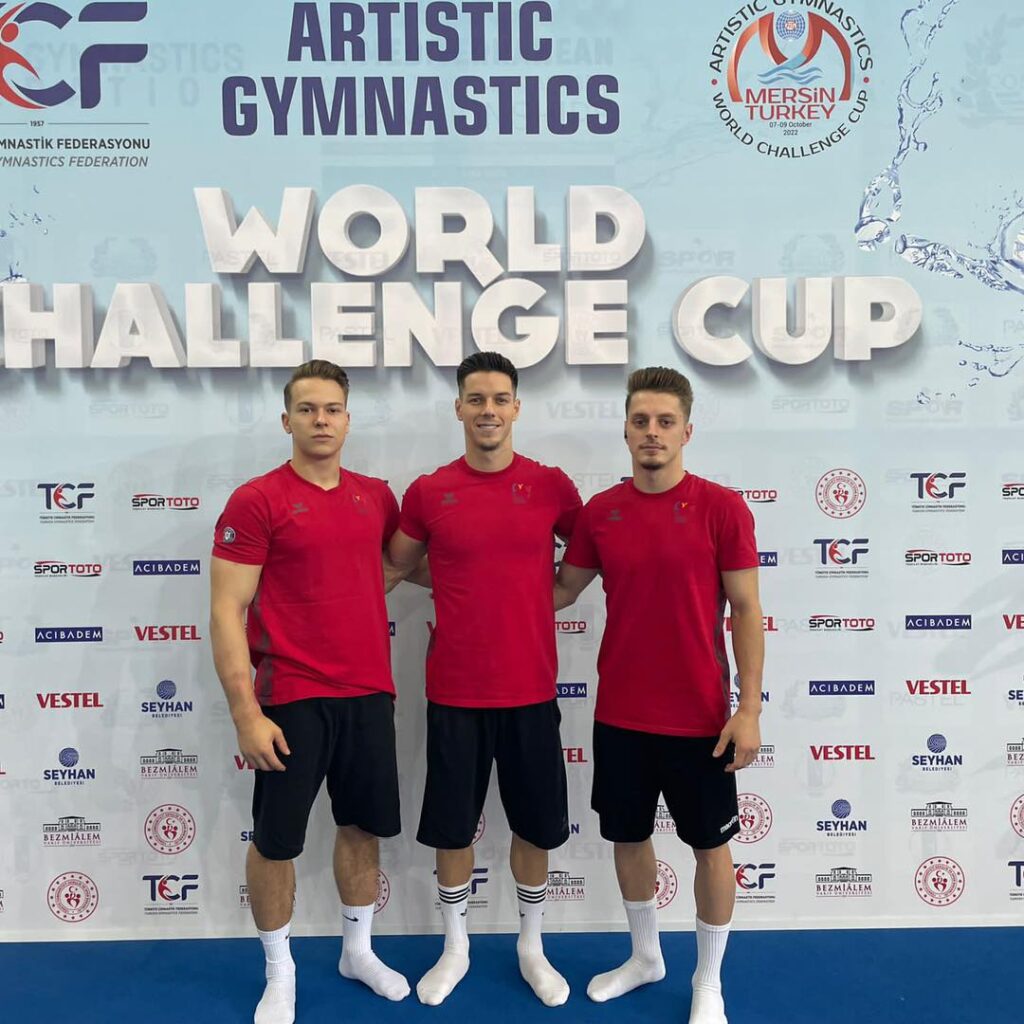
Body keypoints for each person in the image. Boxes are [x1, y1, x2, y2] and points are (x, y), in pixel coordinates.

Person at [554, 366, 763, 1024]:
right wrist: (470, 579)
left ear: (686, 432)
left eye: (665, 421)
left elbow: (746, 610)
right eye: (640, 420)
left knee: (711, 849)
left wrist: (749, 708)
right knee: (629, 838)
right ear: (624, 429)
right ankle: (645, 957)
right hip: (621, 716)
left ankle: (708, 981)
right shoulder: (601, 513)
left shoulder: (721, 508)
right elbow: (560, 590)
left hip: (701, 718)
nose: (652, 431)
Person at [210, 360, 411, 1024]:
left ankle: (358, 951)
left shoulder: (375, 497)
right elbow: (226, 611)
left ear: (347, 420)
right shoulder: (257, 500)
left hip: (368, 694)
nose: (320, 420)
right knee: (276, 842)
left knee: (361, 827)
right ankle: (279, 971)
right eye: (307, 409)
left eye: (331, 409)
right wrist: (246, 713)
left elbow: (396, 567)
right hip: (291, 696)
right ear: (287, 420)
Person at [388, 351, 582, 1007]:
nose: (488, 410)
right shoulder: (429, 491)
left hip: (531, 691)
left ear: (516, 407)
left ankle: (532, 946)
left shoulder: (551, 486)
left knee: (536, 827)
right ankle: (456, 947)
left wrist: (547, 594)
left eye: (500, 399)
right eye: (476, 399)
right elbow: (395, 566)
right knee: (452, 828)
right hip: (455, 694)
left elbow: (588, 559)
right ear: (459, 408)